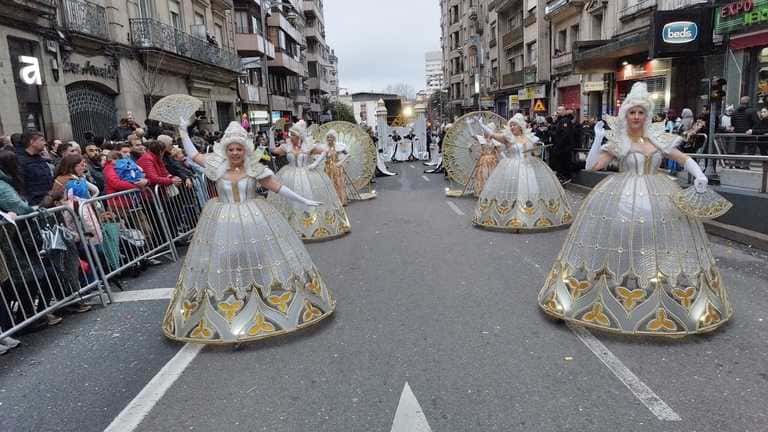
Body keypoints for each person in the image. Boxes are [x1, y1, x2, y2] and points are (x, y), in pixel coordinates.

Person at [537, 82, 732, 336]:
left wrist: (699, 175)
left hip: (659, 197)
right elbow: (594, 165)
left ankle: (656, 287)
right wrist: (597, 139)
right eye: (632, 112)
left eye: (641, 112)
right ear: (625, 114)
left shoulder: (658, 138)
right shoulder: (619, 141)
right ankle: (614, 288)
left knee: (657, 242)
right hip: (622, 199)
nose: (636, 117)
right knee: (620, 240)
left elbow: (682, 159)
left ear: (647, 115)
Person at [162, 119, 332, 344]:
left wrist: (304, 200)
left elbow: (279, 187)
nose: (234, 152)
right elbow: (193, 155)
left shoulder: (255, 169)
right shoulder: (217, 166)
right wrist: (182, 131)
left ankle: (262, 299)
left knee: (258, 255)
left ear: (245, 150)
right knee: (225, 259)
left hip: (254, 218)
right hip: (222, 220)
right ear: (225, 149)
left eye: (238, 149)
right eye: (231, 149)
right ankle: (232, 299)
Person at [474, 114, 573, 231]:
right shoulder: (507, 138)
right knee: (512, 189)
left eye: (514, 125)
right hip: (511, 167)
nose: (512, 127)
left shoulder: (529, 138)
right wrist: (481, 124)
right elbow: (492, 134)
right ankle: (510, 216)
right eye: (511, 125)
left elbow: (535, 154)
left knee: (530, 188)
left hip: (528, 166)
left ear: (520, 126)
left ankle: (531, 216)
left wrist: (536, 150)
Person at [267, 121, 351, 241]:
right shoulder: (287, 146)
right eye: (290, 134)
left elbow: (326, 151)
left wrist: (316, 163)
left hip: (308, 174)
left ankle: (312, 225)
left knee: (308, 195)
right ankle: (291, 226)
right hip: (289, 175)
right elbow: (273, 150)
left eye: (292, 135)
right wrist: (271, 135)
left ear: (299, 136)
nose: (290, 137)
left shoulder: (308, 146)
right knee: (290, 200)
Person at [16, 131, 54, 206]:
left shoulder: (40, 157)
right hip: (35, 204)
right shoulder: (20, 160)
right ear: (32, 142)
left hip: (48, 201)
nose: (45, 143)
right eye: (42, 140)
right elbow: (20, 184)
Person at [471, 121, 501, 197]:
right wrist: (469, 124)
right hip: (483, 161)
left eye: (488, 130)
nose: (486, 132)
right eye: (486, 130)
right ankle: (483, 192)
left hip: (493, 161)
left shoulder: (495, 141)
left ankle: (492, 192)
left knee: (492, 176)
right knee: (483, 176)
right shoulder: (482, 139)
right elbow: (472, 135)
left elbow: (499, 152)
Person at [323, 129, 350, 206]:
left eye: (331, 137)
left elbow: (348, 154)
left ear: (334, 138)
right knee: (329, 184)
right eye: (328, 137)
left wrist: (341, 162)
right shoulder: (325, 148)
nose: (329, 139)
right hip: (327, 168)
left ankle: (340, 200)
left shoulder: (338, 147)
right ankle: (331, 201)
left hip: (336, 168)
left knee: (338, 183)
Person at [550, 106, 577, 183]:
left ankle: (566, 177)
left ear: (565, 111)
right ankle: (562, 176)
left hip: (564, 147)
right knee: (560, 162)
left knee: (565, 162)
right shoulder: (560, 121)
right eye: (558, 110)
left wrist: (559, 144)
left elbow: (565, 134)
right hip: (560, 146)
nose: (558, 111)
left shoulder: (565, 121)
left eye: (560, 110)